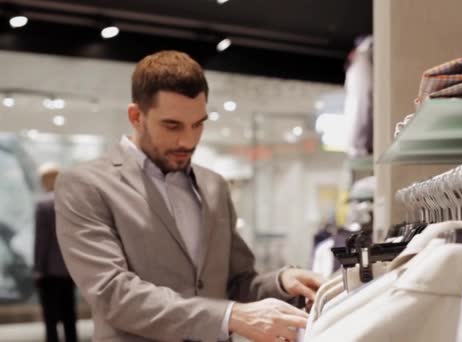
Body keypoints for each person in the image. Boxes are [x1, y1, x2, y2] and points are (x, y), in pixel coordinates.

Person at [54, 50, 323, 342]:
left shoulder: (214, 186)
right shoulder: (86, 185)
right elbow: (113, 295)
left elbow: (235, 282)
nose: (188, 140)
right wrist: (229, 316)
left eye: (198, 124)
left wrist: (281, 282)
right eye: (172, 126)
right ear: (136, 117)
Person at [33, 164, 78, 342]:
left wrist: (38, 269)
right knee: (69, 314)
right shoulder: (71, 201)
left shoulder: (43, 204)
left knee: (51, 318)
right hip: (69, 268)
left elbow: (41, 241)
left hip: (49, 271)